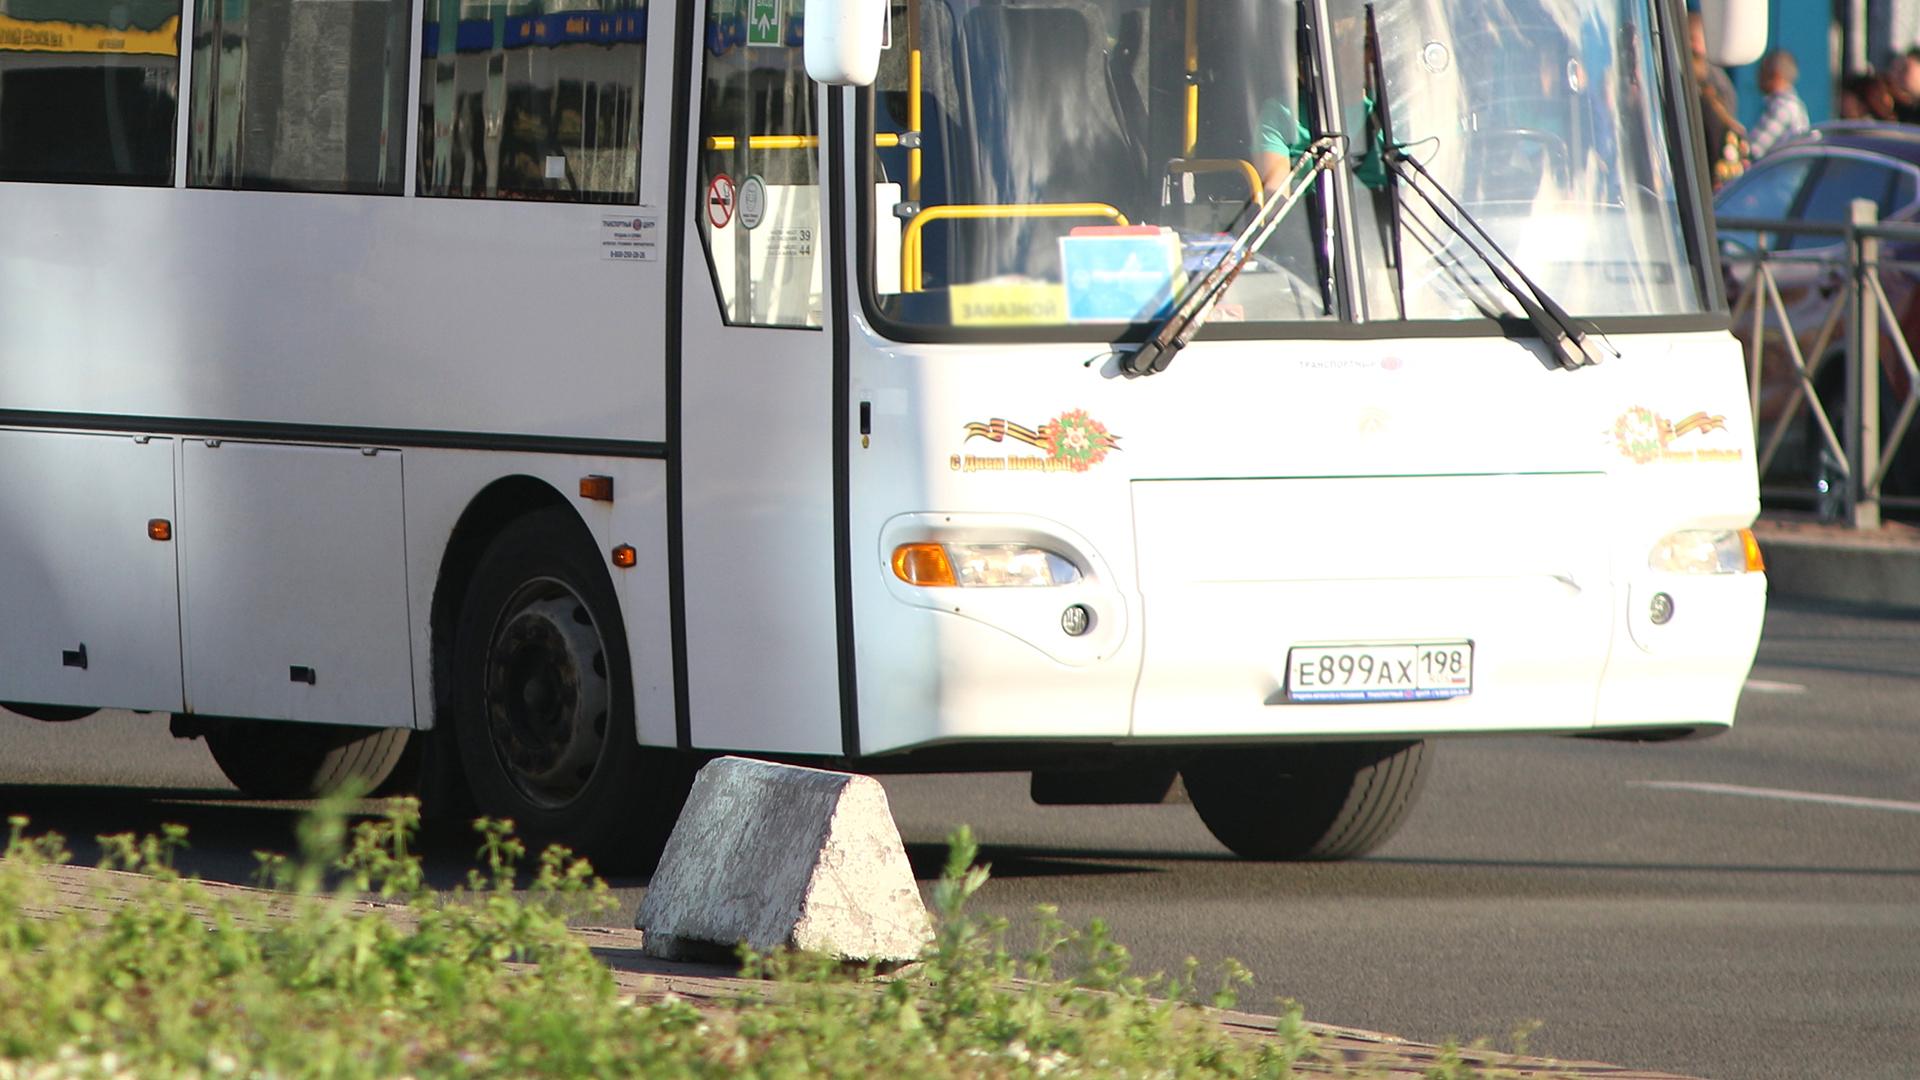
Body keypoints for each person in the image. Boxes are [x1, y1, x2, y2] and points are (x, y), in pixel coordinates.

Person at [1747, 50, 1810, 158]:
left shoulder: (1782, 107)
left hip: (1779, 173)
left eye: (1762, 72)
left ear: (1776, 76)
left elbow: (1754, 149)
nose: (1757, 78)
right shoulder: (1795, 104)